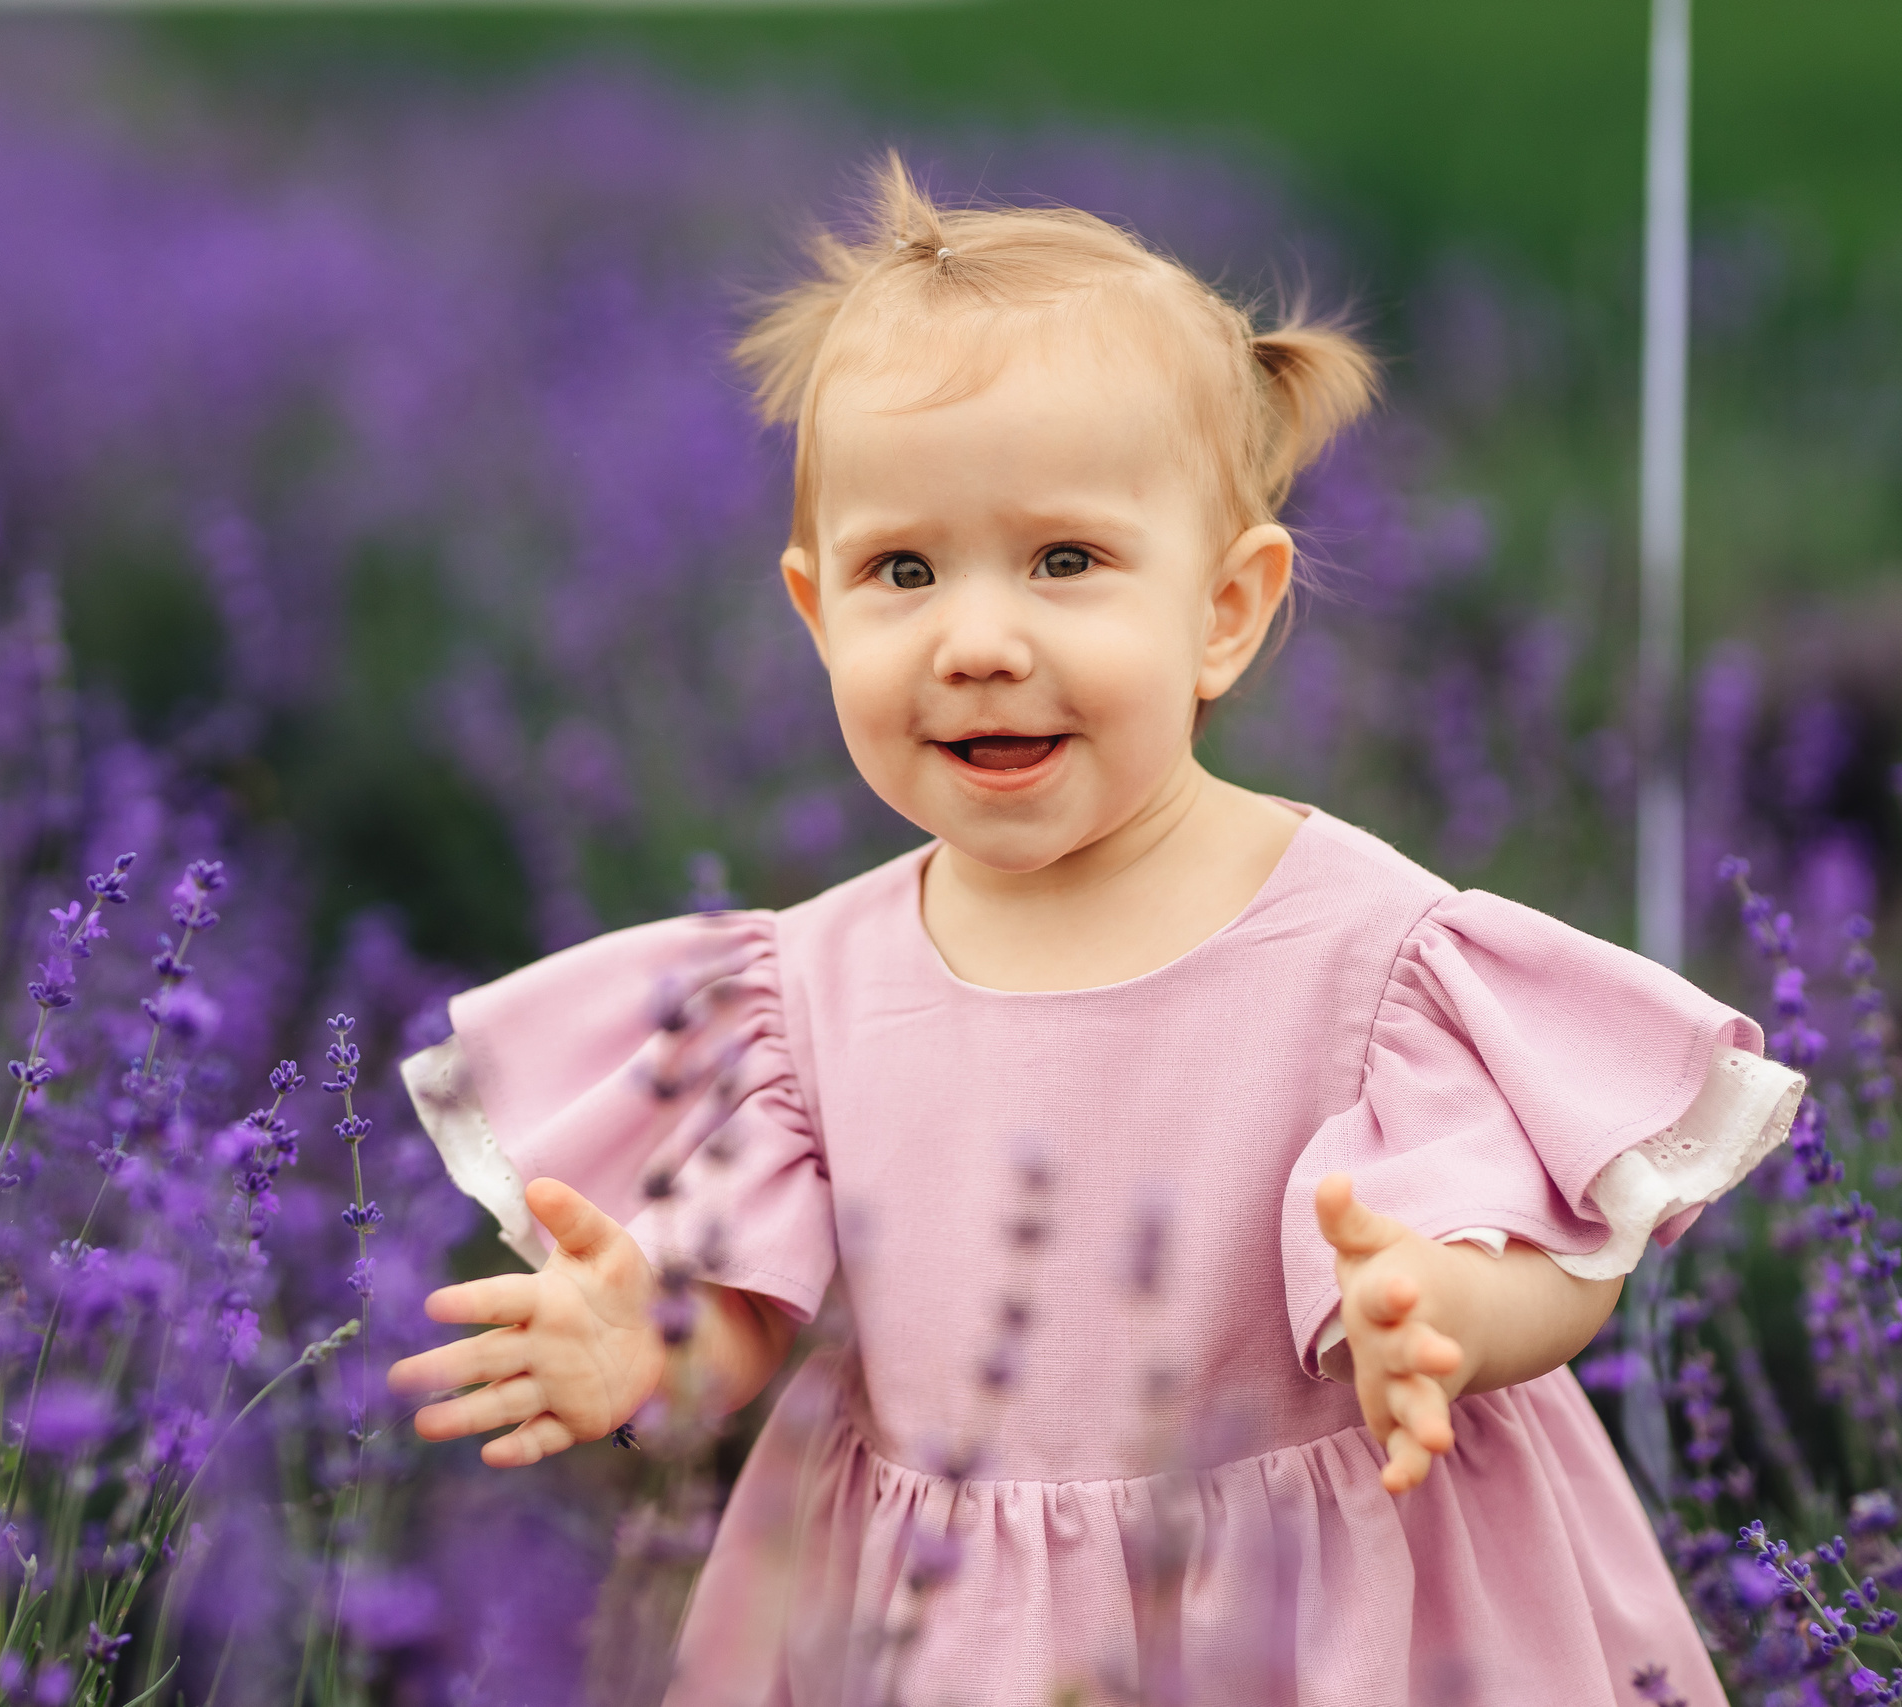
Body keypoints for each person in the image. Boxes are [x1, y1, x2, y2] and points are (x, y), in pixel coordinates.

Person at [388, 156, 1800, 1705]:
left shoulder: (1382, 961)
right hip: (938, 1633)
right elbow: (744, 1314)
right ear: (813, 610)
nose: (979, 642)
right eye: (900, 572)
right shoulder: (797, 998)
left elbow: (1563, 1258)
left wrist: (1448, 1318)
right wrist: (645, 1347)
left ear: (1225, 609)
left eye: (1066, 562)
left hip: (1328, 1619)